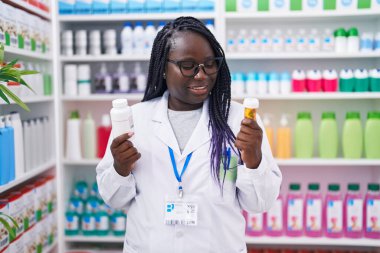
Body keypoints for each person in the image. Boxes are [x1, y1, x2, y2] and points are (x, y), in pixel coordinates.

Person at [96, 16, 282, 253]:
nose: (202, 75)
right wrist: (120, 169)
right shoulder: (135, 120)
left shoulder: (239, 120)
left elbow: (259, 203)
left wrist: (254, 161)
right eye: (188, 65)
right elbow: (114, 199)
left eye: (210, 64)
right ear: (163, 68)